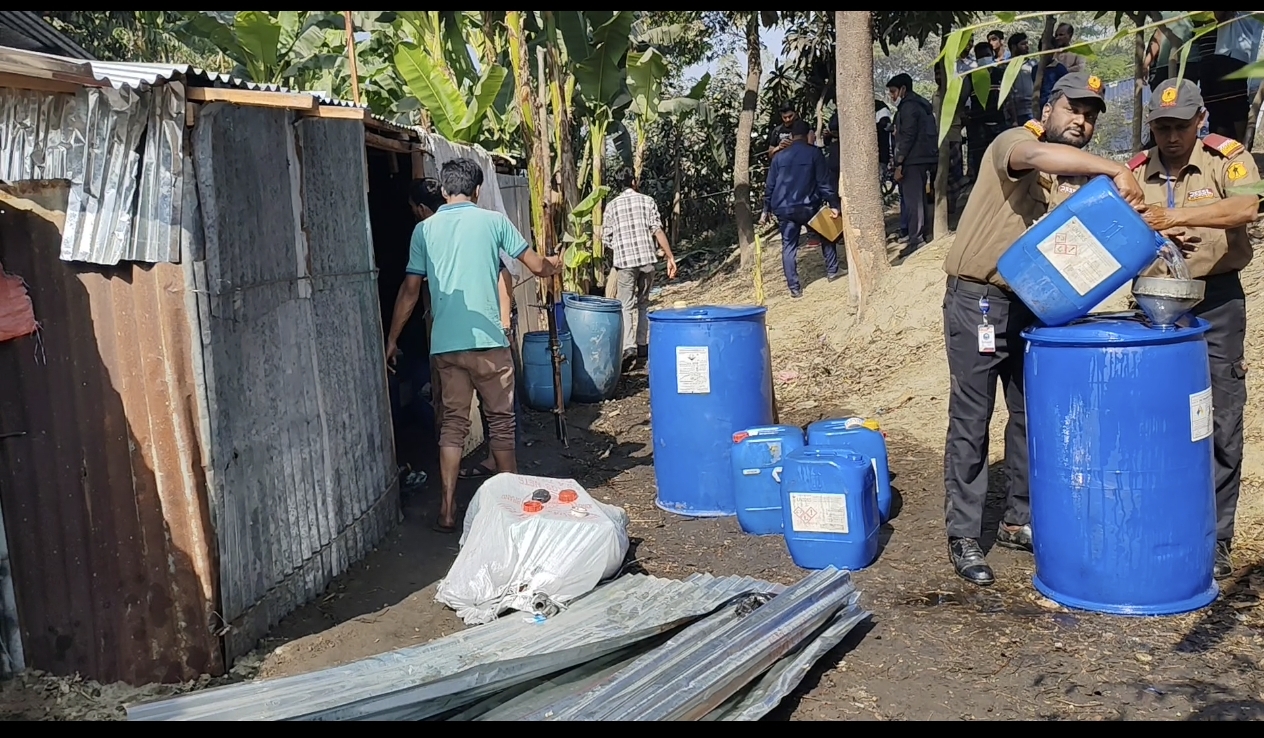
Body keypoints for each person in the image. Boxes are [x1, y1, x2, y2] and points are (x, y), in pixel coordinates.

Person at [940, 72, 1145, 586]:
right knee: (973, 416)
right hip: (979, 303)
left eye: (1093, 114)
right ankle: (963, 534)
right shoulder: (1016, 143)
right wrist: (1115, 168)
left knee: (1030, 416)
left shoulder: (1070, 180)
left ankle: (1019, 519)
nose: (1083, 120)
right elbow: (1037, 159)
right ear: (1050, 107)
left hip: (1033, 306)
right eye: (1074, 108)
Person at [1128, 79, 1263, 580]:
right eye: (1161, 128)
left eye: (1180, 127)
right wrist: (1156, 233)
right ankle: (1158, 523)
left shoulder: (1228, 157)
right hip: (1155, 304)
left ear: (1200, 119)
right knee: (1156, 419)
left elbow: (1246, 208)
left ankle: (1217, 536)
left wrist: (1178, 216)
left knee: (1222, 420)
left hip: (1217, 302)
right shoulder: (1134, 171)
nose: (1171, 138)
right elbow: (1120, 223)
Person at [385, 157, 563, 533]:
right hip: (489, 344)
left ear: (445, 190)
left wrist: (392, 338)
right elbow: (534, 265)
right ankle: (513, 508)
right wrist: (554, 265)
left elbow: (411, 290)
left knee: (452, 426)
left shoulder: (424, 231)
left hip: (446, 346)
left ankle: (447, 510)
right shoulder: (494, 221)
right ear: (478, 190)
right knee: (501, 421)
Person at [601, 167, 679, 371]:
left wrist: (619, 246)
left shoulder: (611, 207)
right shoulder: (647, 201)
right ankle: (642, 345)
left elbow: (606, 238)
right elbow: (657, 230)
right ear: (634, 181)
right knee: (643, 303)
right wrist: (670, 256)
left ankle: (628, 347)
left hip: (624, 263)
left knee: (625, 305)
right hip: (647, 261)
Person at [760, 119, 841, 298]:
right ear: (808, 135)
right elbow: (823, 183)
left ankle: (794, 288)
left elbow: (770, 185)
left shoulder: (779, 157)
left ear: (791, 136)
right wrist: (834, 204)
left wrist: (766, 208)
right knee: (827, 234)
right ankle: (833, 271)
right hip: (808, 206)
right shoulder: (814, 154)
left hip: (784, 208)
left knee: (788, 247)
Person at [887, 73, 938, 254]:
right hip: (925, 156)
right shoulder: (922, 105)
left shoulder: (908, 108)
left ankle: (916, 240)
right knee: (919, 198)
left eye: (893, 91)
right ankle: (920, 234)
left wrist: (899, 162)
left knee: (912, 201)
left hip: (912, 159)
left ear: (903, 89)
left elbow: (907, 137)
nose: (892, 96)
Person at [1005, 33, 1037, 127]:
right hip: (1014, 114)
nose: (1027, 46)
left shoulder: (1033, 64)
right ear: (1014, 47)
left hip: (1032, 111)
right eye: (1023, 44)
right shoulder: (1006, 67)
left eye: (1027, 43)